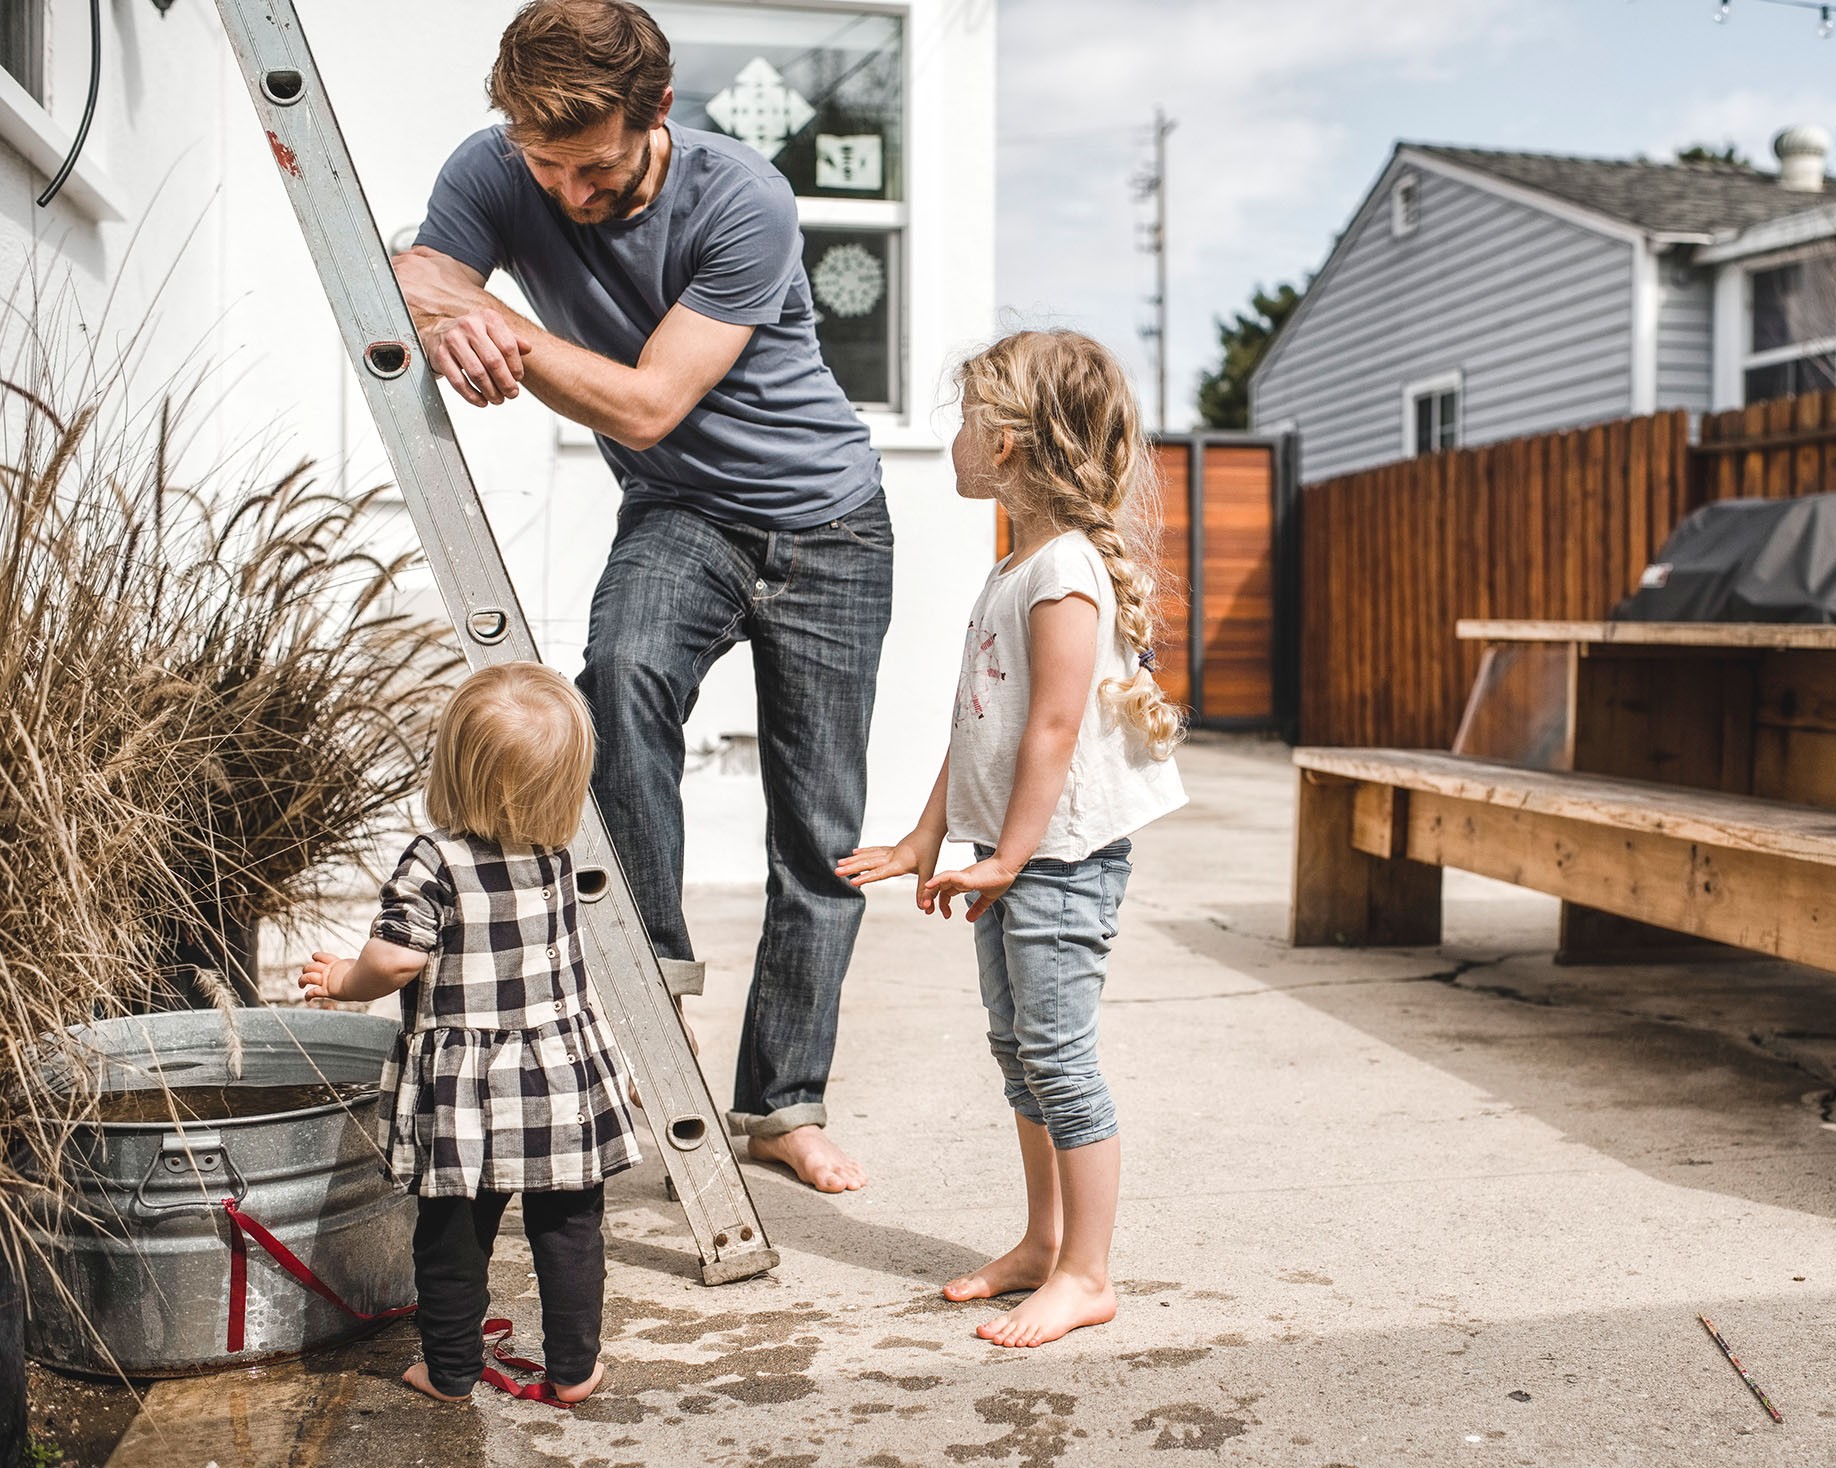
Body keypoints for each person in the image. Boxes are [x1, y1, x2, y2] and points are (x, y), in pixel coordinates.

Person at [391, 0, 887, 1193]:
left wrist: (490, 319)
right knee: (615, 677)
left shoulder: (743, 196)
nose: (565, 191)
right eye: (543, 166)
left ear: (658, 112)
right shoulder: (497, 162)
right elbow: (409, 269)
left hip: (829, 523)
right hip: (680, 517)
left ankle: (782, 1104)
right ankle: (649, 972)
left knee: (816, 836)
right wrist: (439, 299)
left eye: (596, 165)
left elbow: (648, 403)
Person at [837, 331, 1188, 1348]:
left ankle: (1088, 1272)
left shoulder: (1064, 570)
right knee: (1018, 1052)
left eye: (962, 419)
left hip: (1060, 860)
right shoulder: (1019, 566)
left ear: (1008, 443)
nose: (952, 439)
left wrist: (1009, 855)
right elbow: (980, 722)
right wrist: (927, 834)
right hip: (1018, 855)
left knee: (1061, 1060)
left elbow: (1054, 726)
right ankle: (1042, 1244)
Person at [300, 662, 639, 1405]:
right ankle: (575, 1369)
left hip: (469, 1093)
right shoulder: (553, 853)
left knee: (452, 1234)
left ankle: (449, 1371)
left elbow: (393, 961)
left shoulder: (434, 859)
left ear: (453, 770)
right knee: (569, 1228)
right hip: (556, 1075)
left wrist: (339, 981)